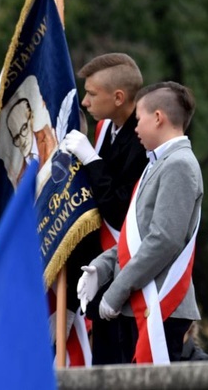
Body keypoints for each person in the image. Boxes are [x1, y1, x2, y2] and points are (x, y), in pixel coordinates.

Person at [77, 81, 203, 363]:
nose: (135, 128)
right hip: (141, 303)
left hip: (158, 305)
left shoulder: (178, 164)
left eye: (139, 119)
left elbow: (163, 240)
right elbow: (135, 238)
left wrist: (116, 290)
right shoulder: (158, 163)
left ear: (158, 117)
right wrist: (101, 267)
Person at [62, 52, 148, 365]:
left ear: (118, 97)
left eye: (92, 94)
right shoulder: (105, 130)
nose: (85, 102)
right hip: (98, 270)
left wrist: (93, 161)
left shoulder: (143, 139)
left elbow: (119, 211)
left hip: (126, 272)